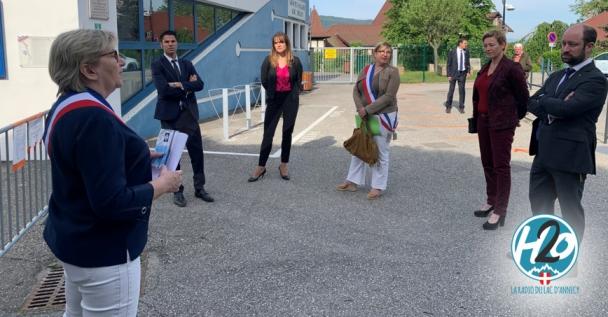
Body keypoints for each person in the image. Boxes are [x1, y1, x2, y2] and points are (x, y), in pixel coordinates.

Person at [43, 29, 182, 316]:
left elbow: (84, 164)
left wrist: (138, 153)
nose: (122, 62)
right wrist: (164, 184)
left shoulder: (66, 106)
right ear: (89, 69)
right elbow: (111, 202)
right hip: (105, 252)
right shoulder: (94, 118)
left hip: (75, 242)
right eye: (114, 55)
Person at [527, 24, 607, 245]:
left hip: (571, 156)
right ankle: (543, 251)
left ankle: (569, 262)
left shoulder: (596, 79)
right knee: (539, 206)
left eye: (572, 44)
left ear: (589, 47)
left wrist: (549, 104)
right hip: (543, 152)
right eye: (563, 43)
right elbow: (531, 102)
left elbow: (568, 109)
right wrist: (552, 105)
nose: (565, 48)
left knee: (570, 213)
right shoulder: (557, 75)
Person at [471, 29, 529, 230]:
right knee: (487, 162)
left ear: (503, 45)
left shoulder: (512, 68)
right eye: (486, 45)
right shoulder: (485, 67)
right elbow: (478, 94)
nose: (488, 48)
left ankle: (500, 210)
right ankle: (491, 200)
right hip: (483, 121)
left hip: (502, 124)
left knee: (501, 166)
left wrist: (513, 118)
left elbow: (523, 98)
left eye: (492, 45)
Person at [152, 30, 214, 206]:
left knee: (197, 153)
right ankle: (177, 191)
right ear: (161, 45)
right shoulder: (158, 64)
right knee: (174, 157)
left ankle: (200, 188)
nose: (170, 44)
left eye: (173, 41)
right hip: (170, 117)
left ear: (177, 43)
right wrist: (188, 86)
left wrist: (179, 84)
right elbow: (163, 89)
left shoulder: (187, 64)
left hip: (189, 115)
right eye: (167, 41)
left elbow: (200, 84)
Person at [336, 42, 400, 200]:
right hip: (365, 114)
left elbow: (389, 97)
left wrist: (368, 110)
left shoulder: (393, 72)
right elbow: (356, 90)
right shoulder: (366, 69)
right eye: (381, 51)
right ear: (375, 53)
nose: (385, 54)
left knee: (380, 151)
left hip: (383, 116)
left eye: (388, 52)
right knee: (361, 145)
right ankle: (352, 181)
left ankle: (378, 186)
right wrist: (360, 108)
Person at [248, 32, 303, 182]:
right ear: (273, 45)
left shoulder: (295, 61)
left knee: (287, 133)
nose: (278, 45)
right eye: (275, 43)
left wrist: (295, 94)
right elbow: (265, 80)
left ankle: (283, 165)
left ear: (287, 44)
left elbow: (298, 79)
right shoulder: (268, 61)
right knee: (268, 133)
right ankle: (261, 166)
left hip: (290, 100)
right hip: (274, 100)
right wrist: (273, 93)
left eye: (281, 42)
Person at [445, 38, 470, 114]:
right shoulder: (452, 52)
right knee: (451, 90)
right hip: (453, 74)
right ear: (460, 43)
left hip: (463, 74)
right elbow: (448, 64)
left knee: (462, 90)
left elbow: (467, 62)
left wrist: (468, 71)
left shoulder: (466, 51)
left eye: (466, 43)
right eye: (465, 43)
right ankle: (448, 107)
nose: (466, 45)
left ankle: (461, 107)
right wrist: (449, 75)